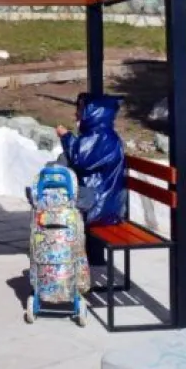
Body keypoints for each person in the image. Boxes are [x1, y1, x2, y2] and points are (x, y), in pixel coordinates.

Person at [55, 92, 127, 267]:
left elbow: (81, 160)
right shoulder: (97, 134)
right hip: (98, 198)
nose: (77, 114)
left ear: (94, 111)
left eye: (80, 109)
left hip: (100, 205)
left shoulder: (102, 137)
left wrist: (65, 136)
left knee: (54, 208)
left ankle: (62, 260)